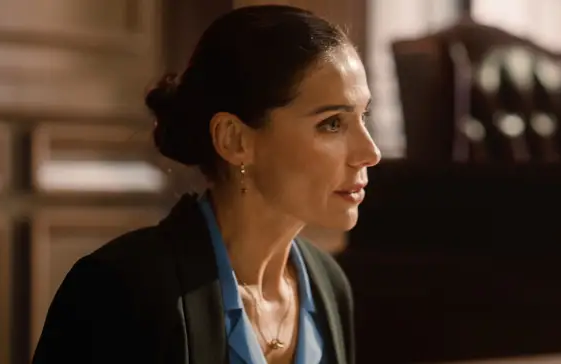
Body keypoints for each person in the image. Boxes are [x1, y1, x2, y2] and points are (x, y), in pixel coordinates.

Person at [32, 5, 379, 364]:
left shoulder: (329, 287)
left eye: (363, 115)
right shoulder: (118, 292)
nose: (371, 152)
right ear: (235, 140)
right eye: (332, 123)